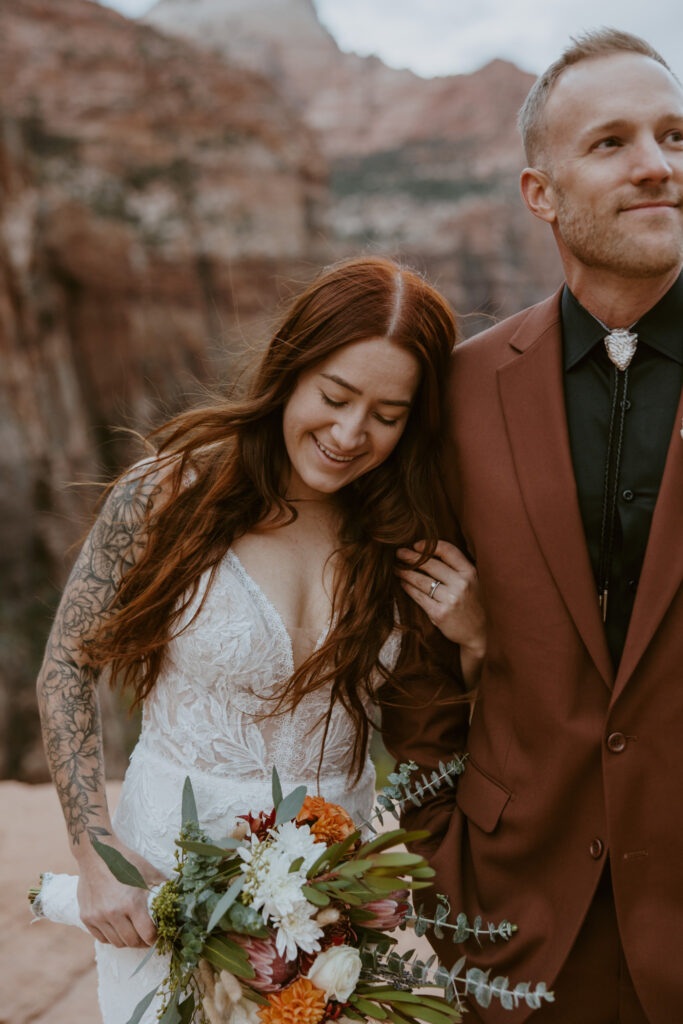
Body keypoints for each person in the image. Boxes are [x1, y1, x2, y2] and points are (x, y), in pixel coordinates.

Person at [36, 256, 486, 1024]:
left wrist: (475, 637)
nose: (349, 434)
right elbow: (67, 667)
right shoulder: (168, 493)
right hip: (168, 881)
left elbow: (436, 722)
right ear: (290, 370)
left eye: (386, 413)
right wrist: (98, 855)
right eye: (334, 396)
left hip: (329, 883)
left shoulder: (405, 534)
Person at [387, 28, 683, 1024]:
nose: (657, 165)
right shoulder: (462, 389)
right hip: (516, 925)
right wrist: (444, 874)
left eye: (674, 135)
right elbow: (418, 668)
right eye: (610, 143)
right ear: (538, 192)